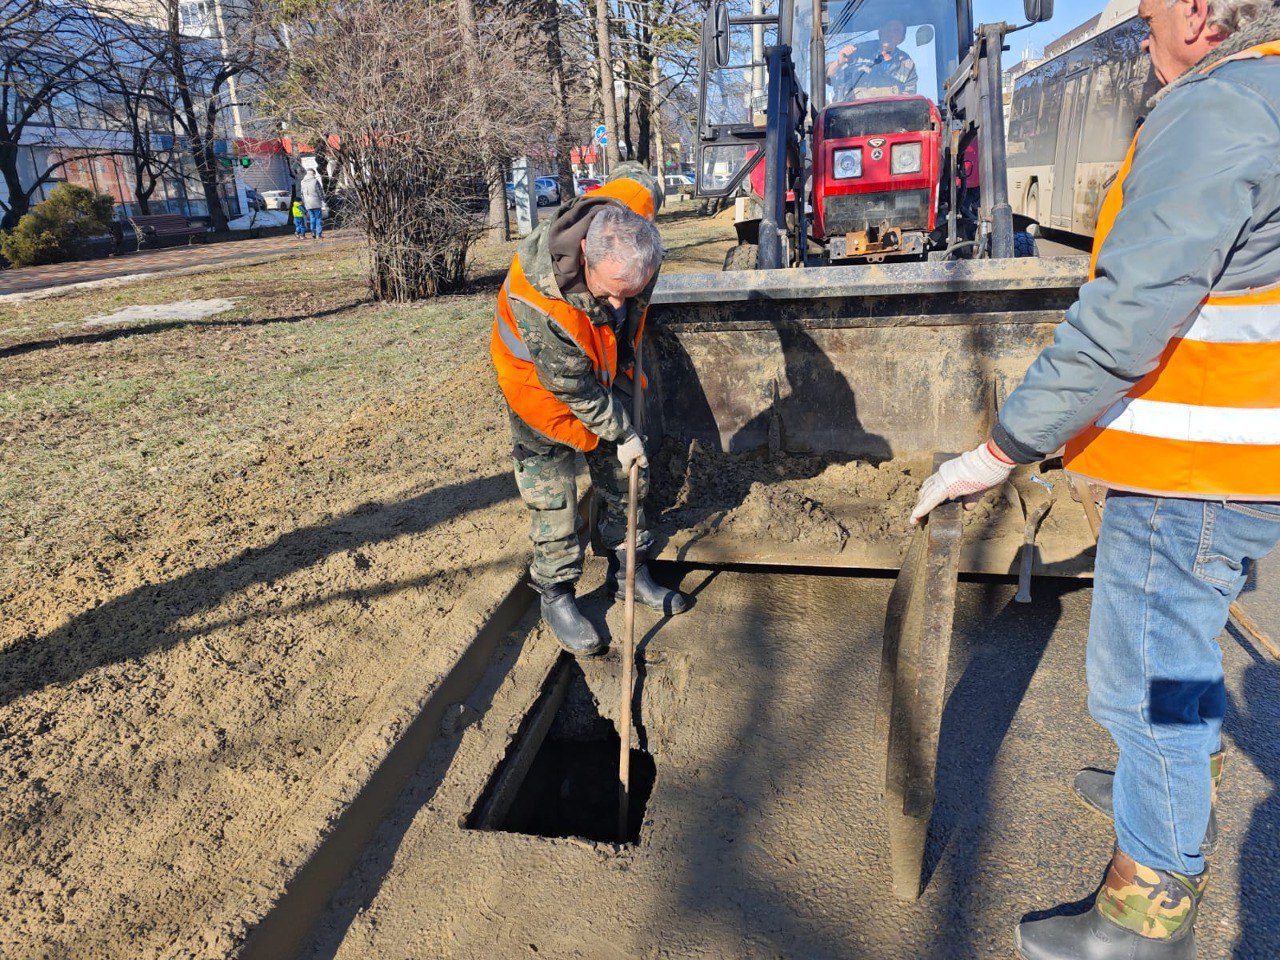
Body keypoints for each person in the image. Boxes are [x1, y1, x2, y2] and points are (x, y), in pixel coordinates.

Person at [909, 1, 1280, 956]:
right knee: (1182, 662)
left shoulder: (1220, 114)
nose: (1143, 28)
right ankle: (1169, 783)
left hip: (1192, 471)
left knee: (1145, 686)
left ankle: (1143, 912)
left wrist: (998, 451)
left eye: (1148, 7)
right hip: (1233, 463)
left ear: (1198, 12)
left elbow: (1122, 324)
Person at [490, 162, 690, 656]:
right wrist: (623, 432)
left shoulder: (630, 226)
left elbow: (637, 179)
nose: (620, 305)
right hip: (542, 390)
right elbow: (573, 390)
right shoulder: (540, 298)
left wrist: (622, 429)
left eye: (632, 294)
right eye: (609, 294)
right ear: (585, 255)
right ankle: (556, 593)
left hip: (600, 368)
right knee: (554, 494)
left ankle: (630, 573)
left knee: (624, 478)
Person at [826, 18, 918, 101]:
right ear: (880, 32)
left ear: (901, 39)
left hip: (891, 117)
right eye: (888, 28)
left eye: (896, 31)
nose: (890, 33)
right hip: (850, 115)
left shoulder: (907, 64)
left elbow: (909, 98)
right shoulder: (858, 52)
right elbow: (826, 77)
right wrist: (839, 62)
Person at [300, 169, 324, 240]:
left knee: (312, 218)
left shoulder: (302, 182)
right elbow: (319, 192)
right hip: (316, 202)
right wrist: (323, 200)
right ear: (313, 173)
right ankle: (318, 234)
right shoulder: (315, 181)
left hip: (308, 203)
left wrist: (304, 202)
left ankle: (313, 231)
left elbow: (302, 194)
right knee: (318, 218)